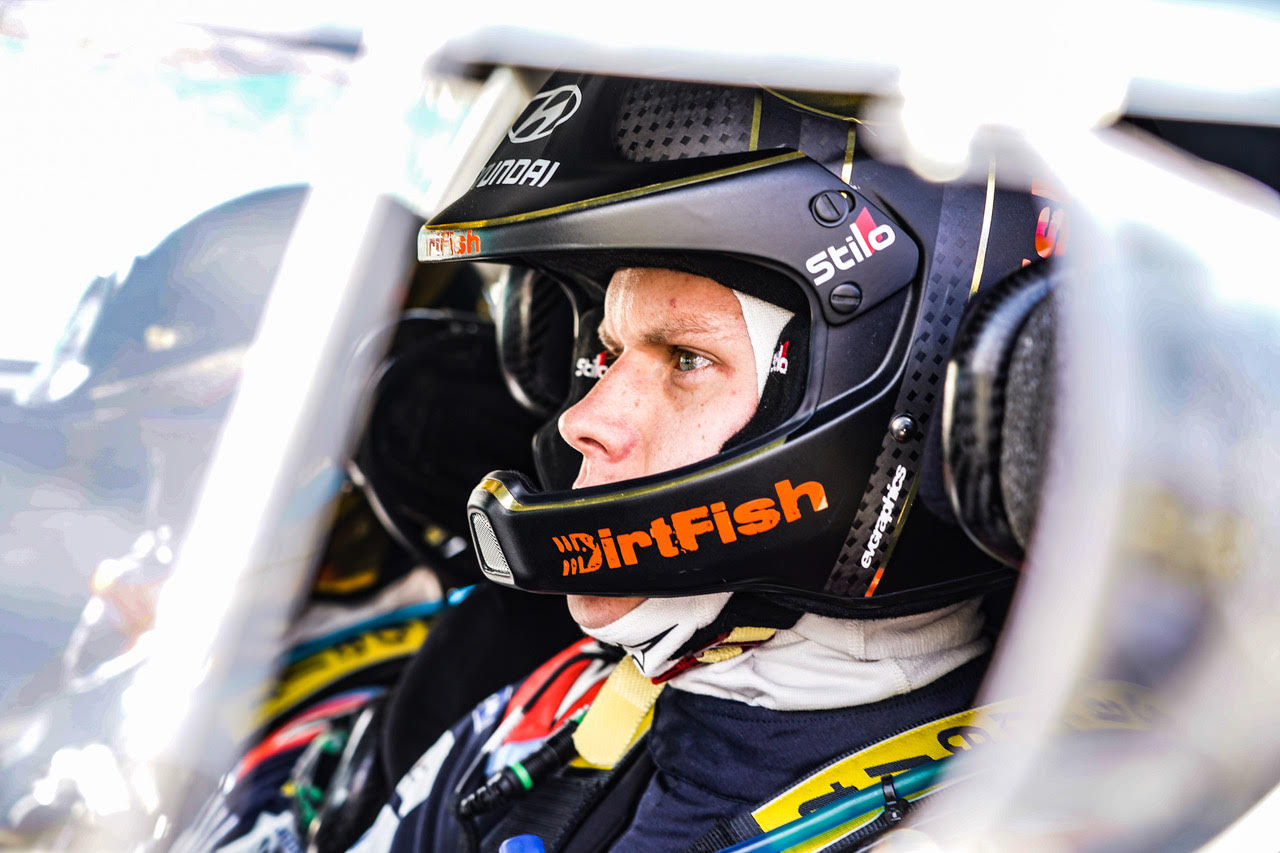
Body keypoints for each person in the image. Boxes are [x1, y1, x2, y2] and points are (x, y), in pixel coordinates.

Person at [335, 73, 1054, 853]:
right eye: (607, 352)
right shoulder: (544, 712)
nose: (583, 419)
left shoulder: (1032, 825)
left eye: (687, 359)